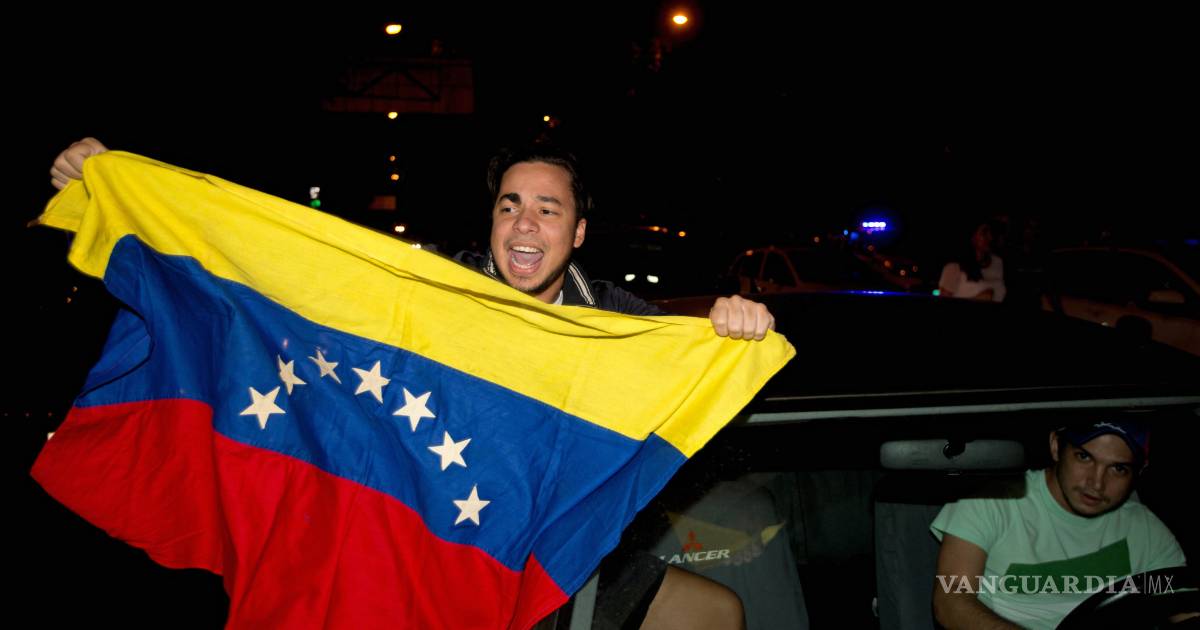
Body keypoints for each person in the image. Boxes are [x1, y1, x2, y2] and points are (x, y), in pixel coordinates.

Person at [51, 138, 775, 629]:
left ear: (578, 232)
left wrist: (735, 329)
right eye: (509, 205)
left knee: (718, 613)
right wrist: (120, 186)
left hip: (563, 554)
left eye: (547, 209)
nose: (524, 224)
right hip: (438, 547)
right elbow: (294, 279)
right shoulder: (436, 300)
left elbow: (690, 395)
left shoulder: (621, 323)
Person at [930, 417, 1190, 629]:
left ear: (1138, 472)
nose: (1096, 483)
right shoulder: (991, 503)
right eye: (1084, 457)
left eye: (1118, 469)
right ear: (1056, 446)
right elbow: (951, 601)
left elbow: (1185, 609)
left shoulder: (1145, 530)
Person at [937, 220, 1006, 302]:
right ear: (971, 236)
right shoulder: (954, 267)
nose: (990, 237)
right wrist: (980, 297)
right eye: (984, 233)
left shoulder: (997, 262)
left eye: (990, 232)